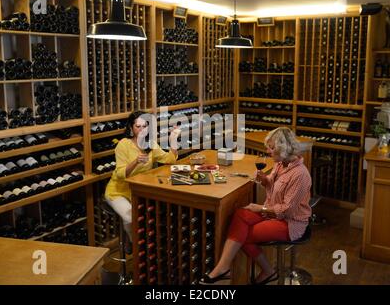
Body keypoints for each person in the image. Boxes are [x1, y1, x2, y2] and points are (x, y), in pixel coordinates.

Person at [200, 127, 311, 284]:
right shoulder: (281, 164)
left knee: (243, 235)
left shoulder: (300, 174)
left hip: (290, 223)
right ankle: (224, 268)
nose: (268, 150)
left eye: (272, 148)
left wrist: (260, 208)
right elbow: (272, 184)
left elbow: (287, 210)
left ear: (284, 148)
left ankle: (267, 271)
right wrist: (265, 179)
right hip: (272, 213)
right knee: (240, 214)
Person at [105, 111, 180, 253]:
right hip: (118, 191)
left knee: (157, 212)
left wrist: (173, 141)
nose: (141, 130)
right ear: (131, 128)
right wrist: (135, 161)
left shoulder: (150, 144)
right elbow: (120, 174)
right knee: (130, 217)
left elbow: (169, 159)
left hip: (139, 191)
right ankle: (138, 247)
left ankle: (135, 239)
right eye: (138, 126)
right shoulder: (123, 145)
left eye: (144, 126)